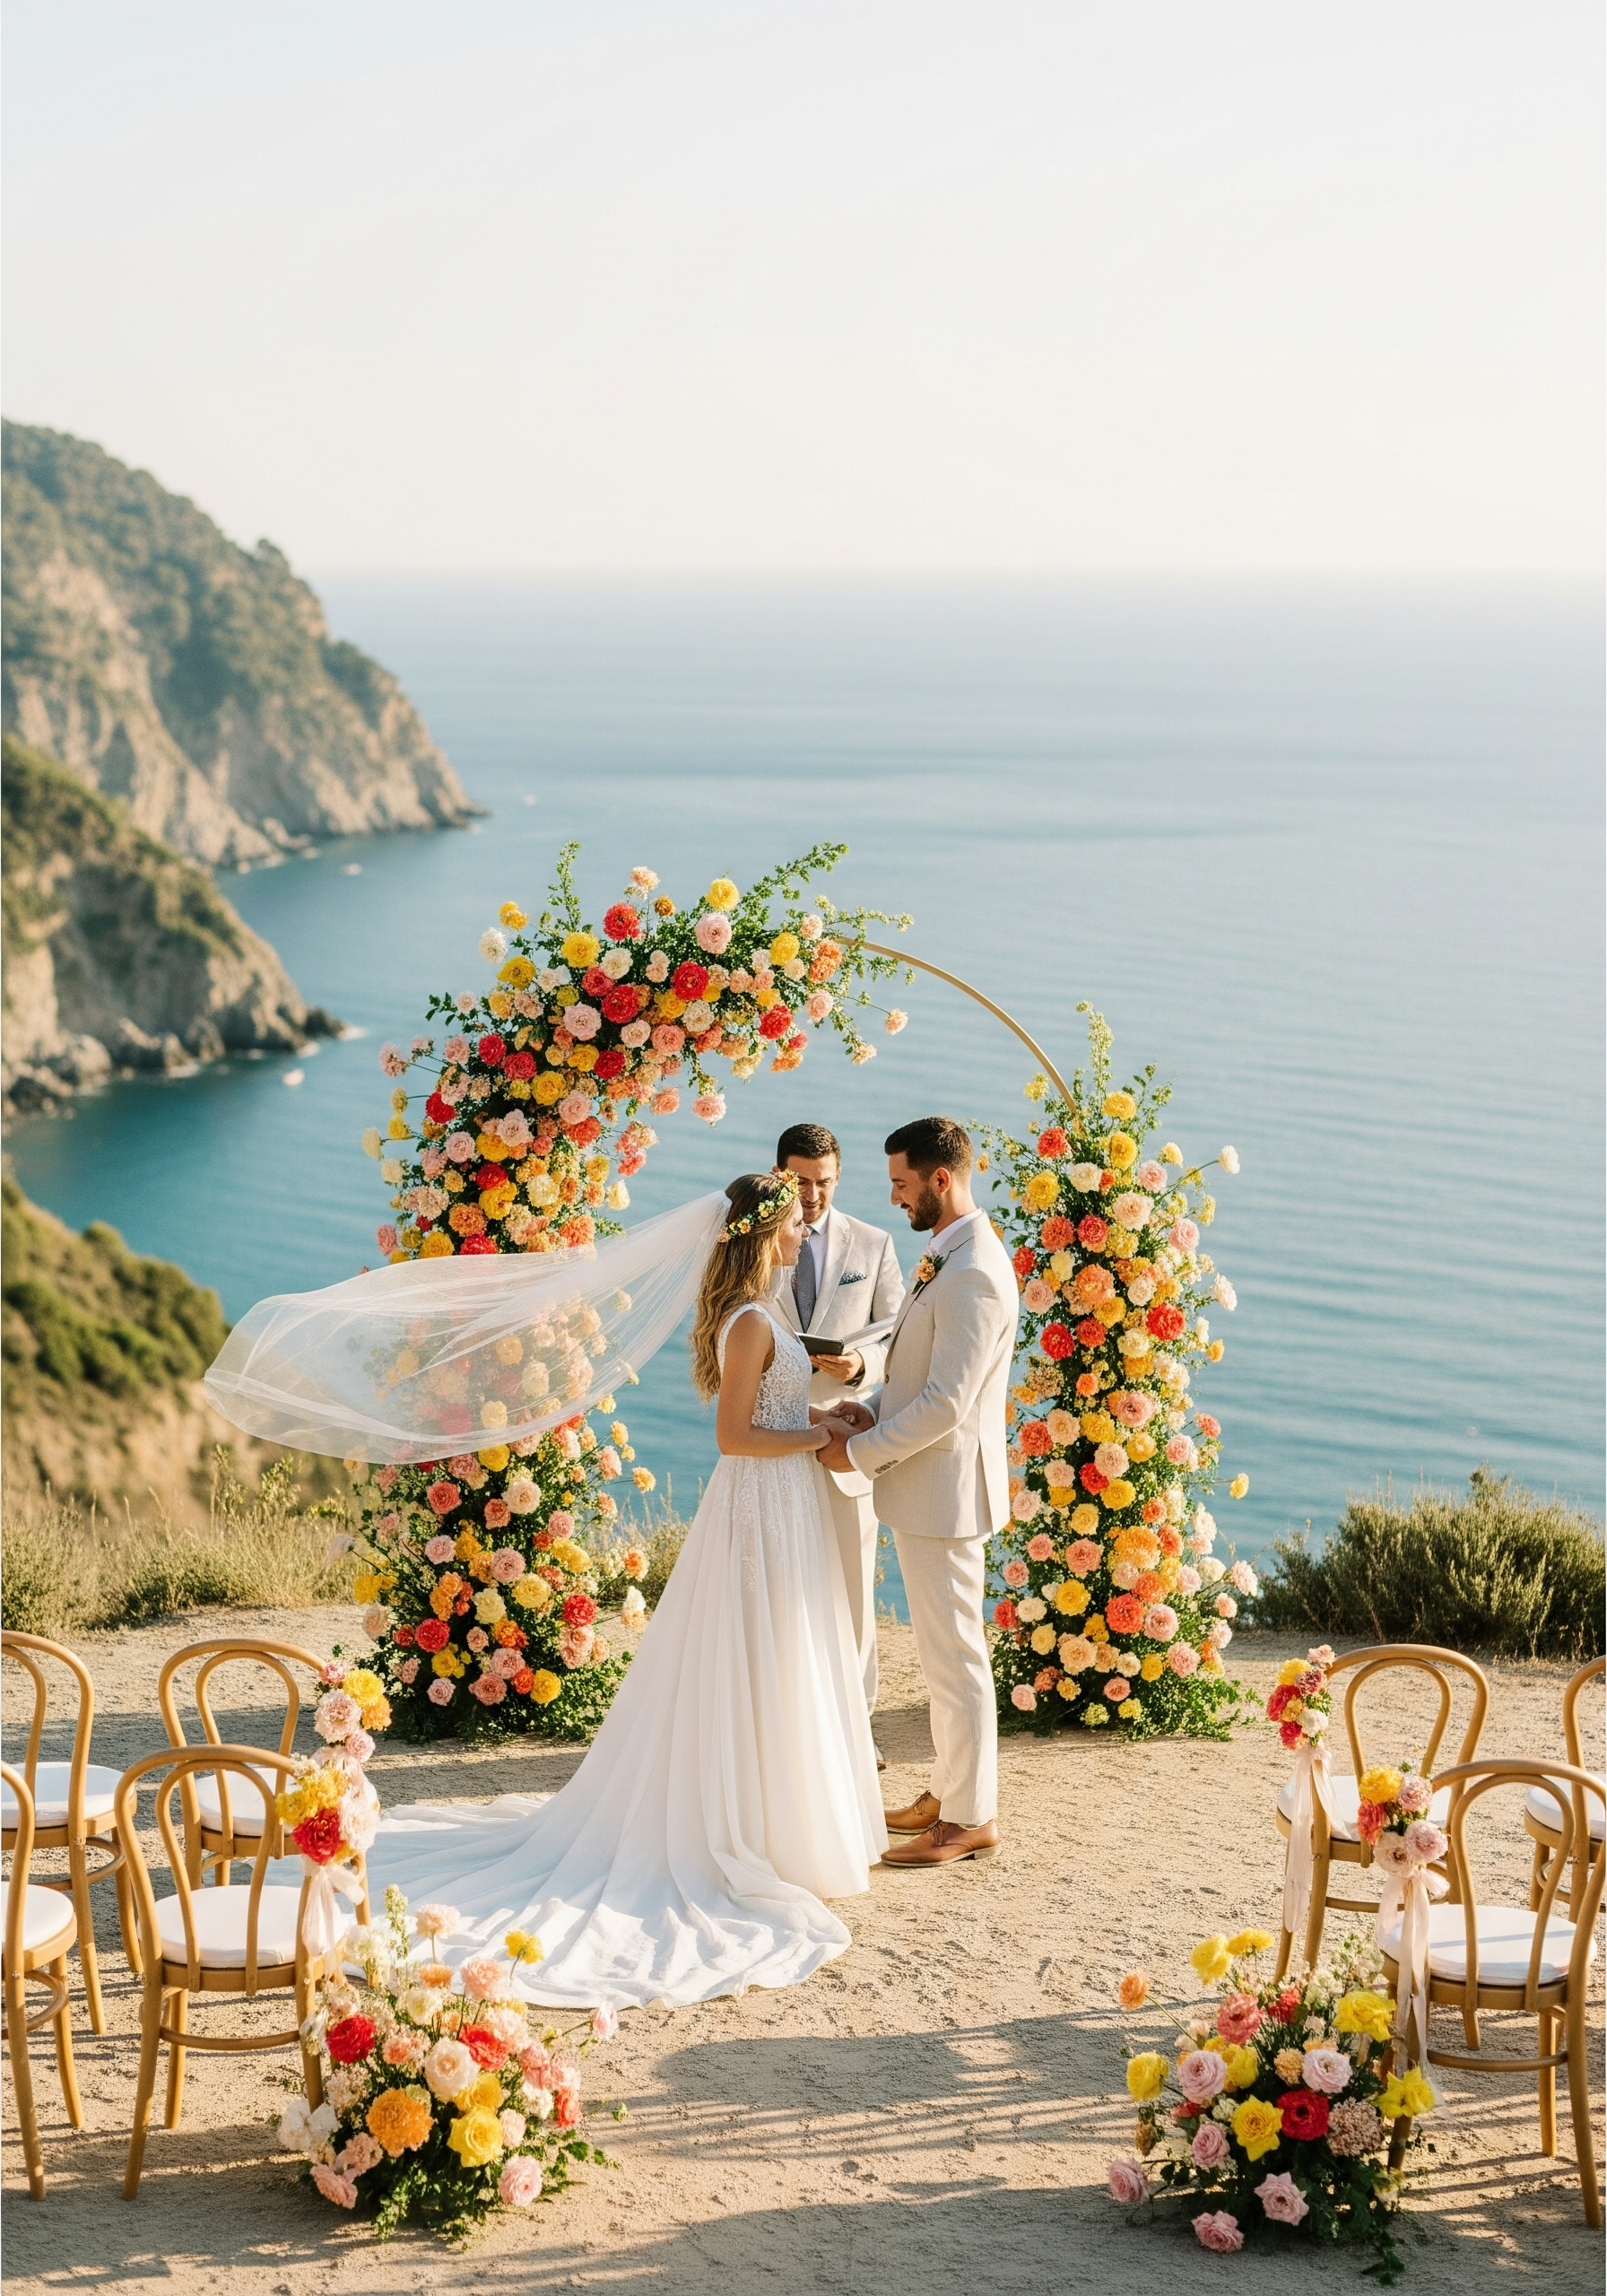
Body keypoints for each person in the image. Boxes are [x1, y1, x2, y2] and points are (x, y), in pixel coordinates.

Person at [357, 1170, 889, 2007]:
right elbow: (735, 1436)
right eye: (791, 1222)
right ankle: (748, 1829)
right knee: (756, 1649)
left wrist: (829, 1417)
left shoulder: (768, 1311)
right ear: (763, 1233)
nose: (802, 1231)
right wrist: (817, 1435)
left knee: (784, 1651)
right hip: (759, 1503)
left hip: (785, 1503)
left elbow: (776, 1411)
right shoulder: (752, 1321)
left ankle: (781, 1825)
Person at [818, 1118, 1019, 1868]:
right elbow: (917, 1375)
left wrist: (858, 1451)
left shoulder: (974, 1272)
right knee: (942, 1657)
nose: (894, 1197)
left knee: (956, 1658)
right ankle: (949, 1790)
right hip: (929, 1490)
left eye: (902, 1183)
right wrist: (868, 1409)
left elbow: (947, 1404)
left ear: (941, 1179)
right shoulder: (948, 1253)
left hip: (947, 1496)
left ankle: (968, 1819)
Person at [770, 1120, 905, 1742]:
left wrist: (860, 1367)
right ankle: (783, 1726)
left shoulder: (873, 1245)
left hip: (844, 1443)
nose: (812, 1195)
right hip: (768, 1441)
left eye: (823, 1182)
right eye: (800, 1181)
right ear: (779, 1176)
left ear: (839, 1177)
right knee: (774, 1589)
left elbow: (899, 1338)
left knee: (852, 1592)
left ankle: (855, 1733)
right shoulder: (750, 1245)